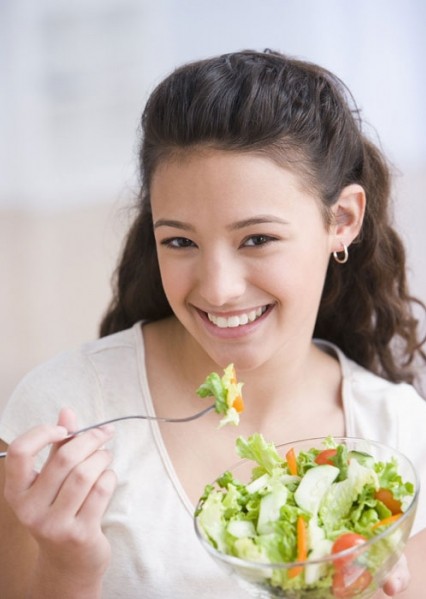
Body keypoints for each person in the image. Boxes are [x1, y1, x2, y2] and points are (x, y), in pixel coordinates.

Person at [0, 49, 425, 598]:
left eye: (257, 239)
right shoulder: (66, 409)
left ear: (341, 220)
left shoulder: (402, 436)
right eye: (180, 241)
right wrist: (68, 570)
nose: (218, 288)